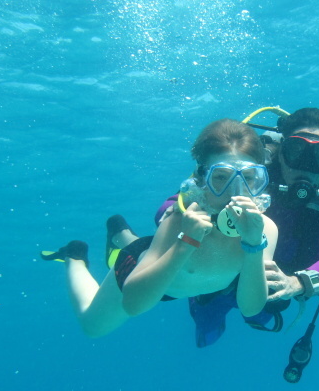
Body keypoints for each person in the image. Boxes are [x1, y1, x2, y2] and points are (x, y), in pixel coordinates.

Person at [106, 108, 319, 347]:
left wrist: (297, 283)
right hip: (219, 261)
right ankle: (126, 241)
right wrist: (185, 223)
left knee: (263, 307)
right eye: (297, 150)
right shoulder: (247, 169)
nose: (306, 166)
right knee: (206, 326)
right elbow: (173, 204)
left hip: (264, 268)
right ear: (282, 149)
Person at [41, 119, 278, 337]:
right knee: (92, 327)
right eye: (220, 178)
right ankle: (74, 256)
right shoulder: (181, 221)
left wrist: (254, 244)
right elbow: (133, 305)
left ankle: (120, 232)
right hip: (153, 280)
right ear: (201, 178)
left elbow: (250, 307)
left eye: (248, 178)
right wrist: (187, 242)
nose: (235, 192)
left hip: (195, 282)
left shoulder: (263, 230)